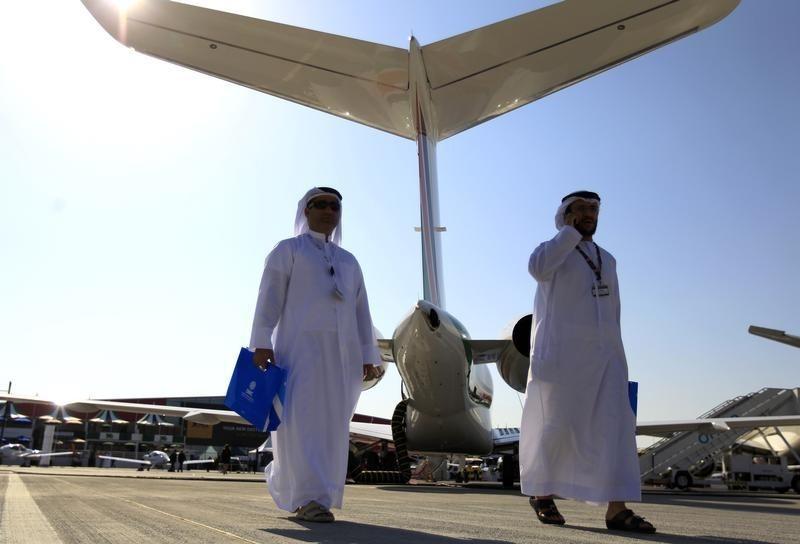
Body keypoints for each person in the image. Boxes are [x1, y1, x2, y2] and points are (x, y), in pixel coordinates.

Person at [519, 190, 655, 534]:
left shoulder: (607, 259)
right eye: (580, 208)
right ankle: (542, 493)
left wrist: (616, 352)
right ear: (566, 214)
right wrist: (568, 233)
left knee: (615, 427)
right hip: (560, 357)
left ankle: (617, 509)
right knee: (555, 426)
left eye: (594, 208)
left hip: (605, 358)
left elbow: (614, 309)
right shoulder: (551, 251)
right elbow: (538, 270)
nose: (589, 214)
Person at [250, 186, 383, 523]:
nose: (328, 211)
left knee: (332, 426)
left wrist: (368, 354)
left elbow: (362, 311)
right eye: (320, 204)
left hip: (342, 358)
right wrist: (261, 341)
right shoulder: (288, 251)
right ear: (305, 211)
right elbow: (268, 298)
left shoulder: (349, 261)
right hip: (298, 353)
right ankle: (304, 497)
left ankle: (320, 497)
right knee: (299, 422)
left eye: (334, 206)